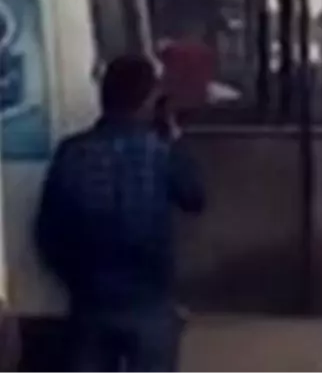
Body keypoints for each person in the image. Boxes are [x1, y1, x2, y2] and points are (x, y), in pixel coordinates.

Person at [35, 54, 206, 373]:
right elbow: (194, 198)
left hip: (91, 301)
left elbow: (48, 232)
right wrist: (175, 136)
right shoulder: (161, 153)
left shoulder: (72, 153)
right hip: (150, 298)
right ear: (148, 101)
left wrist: (76, 279)